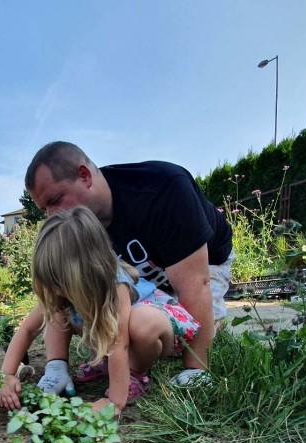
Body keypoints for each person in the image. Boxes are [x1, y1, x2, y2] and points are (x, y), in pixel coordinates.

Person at [24, 141, 233, 394]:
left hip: (203, 260)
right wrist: (56, 366)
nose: (52, 216)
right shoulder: (75, 227)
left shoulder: (164, 189)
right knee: (133, 327)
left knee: (191, 331)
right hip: (138, 281)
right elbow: (57, 297)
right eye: (44, 209)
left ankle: (205, 339)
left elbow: (197, 284)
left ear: (84, 175)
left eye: (55, 200)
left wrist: (195, 369)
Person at [0, 207, 199, 414]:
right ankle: (103, 365)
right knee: (56, 308)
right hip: (118, 335)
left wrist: (114, 403)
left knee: (140, 323)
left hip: (161, 322)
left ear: (87, 272)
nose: (55, 289)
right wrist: (7, 376)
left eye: (59, 282)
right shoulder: (60, 290)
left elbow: (119, 343)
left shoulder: (115, 285)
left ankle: (134, 374)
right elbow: (27, 330)